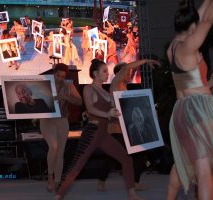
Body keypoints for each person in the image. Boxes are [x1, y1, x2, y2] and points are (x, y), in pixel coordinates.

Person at [55, 59, 144, 200]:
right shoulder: (88, 89)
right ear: (95, 73)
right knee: (77, 166)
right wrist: (107, 114)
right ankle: (58, 196)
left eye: (107, 72)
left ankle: (132, 194)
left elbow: (114, 110)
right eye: (104, 71)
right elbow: (90, 108)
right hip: (92, 132)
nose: (107, 74)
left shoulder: (106, 92)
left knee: (126, 159)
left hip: (103, 133)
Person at [165, 0, 213, 199]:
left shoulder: (173, 48)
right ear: (192, 27)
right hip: (197, 111)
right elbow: (208, 20)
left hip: (181, 112)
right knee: (204, 172)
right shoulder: (188, 46)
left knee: (183, 162)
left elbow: (200, 17)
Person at [97, 59, 160, 192]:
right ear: (121, 73)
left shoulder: (125, 86)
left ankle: (135, 182)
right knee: (112, 156)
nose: (130, 74)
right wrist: (146, 60)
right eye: (128, 72)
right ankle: (101, 180)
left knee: (140, 154)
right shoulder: (116, 83)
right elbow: (127, 68)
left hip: (127, 126)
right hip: (115, 127)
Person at [40, 63, 82, 192]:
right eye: (58, 75)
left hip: (62, 119)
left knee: (60, 152)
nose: (60, 78)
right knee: (53, 146)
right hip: (47, 119)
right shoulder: (45, 84)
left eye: (63, 76)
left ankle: (58, 181)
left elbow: (79, 102)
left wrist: (65, 97)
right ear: (54, 73)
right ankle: (50, 177)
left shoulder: (68, 85)